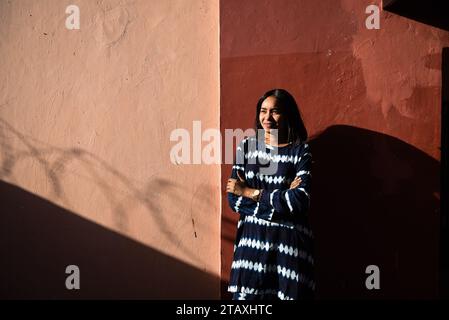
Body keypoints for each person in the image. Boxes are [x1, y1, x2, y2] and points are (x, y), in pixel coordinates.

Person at [226, 88, 314, 300]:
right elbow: (234, 199)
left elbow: (299, 201)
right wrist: (282, 203)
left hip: (289, 251)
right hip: (251, 250)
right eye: (263, 111)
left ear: (288, 115)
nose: (267, 118)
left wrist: (250, 191)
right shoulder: (247, 148)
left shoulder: (301, 152)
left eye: (275, 111)